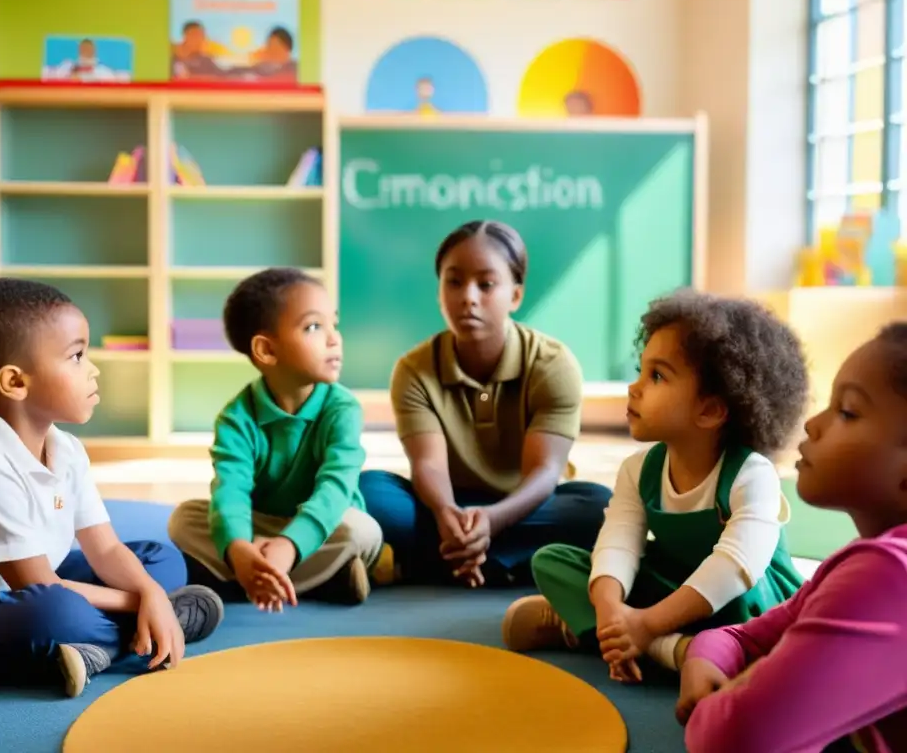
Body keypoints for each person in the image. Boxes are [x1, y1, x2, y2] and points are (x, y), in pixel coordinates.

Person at [0, 279, 224, 698]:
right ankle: (138, 633)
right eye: (77, 356)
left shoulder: (65, 448)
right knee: (56, 613)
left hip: (42, 584)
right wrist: (143, 602)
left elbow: (105, 549)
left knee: (163, 561)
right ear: (15, 382)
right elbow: (41, 586)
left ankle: (93, 650)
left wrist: (150, 589)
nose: (94, 368)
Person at [503, 290, 808, 683]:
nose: (635, 388)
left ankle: (594, 632)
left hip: (745, 604)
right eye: (640, 371)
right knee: (553, 560)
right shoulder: (638, 470)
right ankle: (672, 650)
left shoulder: (751, 474)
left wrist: (645, 624)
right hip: (670, 592)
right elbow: (617, 545)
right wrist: (614, 610)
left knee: (746, 604)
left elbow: (736, 568)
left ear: (711, 409)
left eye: (657, 376)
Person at [676, 323, 907, 753]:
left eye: (848, 412)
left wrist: (728, 698)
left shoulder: (888, 574)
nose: (813, 425)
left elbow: (735, 738)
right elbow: (743, 636)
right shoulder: (857, 564)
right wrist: (703, 658)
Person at [359, 220, 612, 588]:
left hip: (526, 505)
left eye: (487, 284)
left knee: (600, 508)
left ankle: (433, 561)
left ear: (515, 296)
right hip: (446, 504)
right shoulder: (414, 370)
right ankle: (508, 562)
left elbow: (544, 471)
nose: (469, 297)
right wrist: (447, 513)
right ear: (439, 291)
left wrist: (493, 520)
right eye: (454, 281)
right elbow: (427, 464)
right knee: (370, 493)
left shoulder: (553, 364)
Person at [168, 267, 384, 610]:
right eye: (314, 327)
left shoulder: (342, 408)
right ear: (266, 350)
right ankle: (311, 578)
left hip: (327, 522)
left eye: (334, 323)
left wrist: (289, 545)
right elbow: (231, 492)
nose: (334, 338)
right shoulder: (236, 418)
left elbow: (335, 489)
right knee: (183, 518)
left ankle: (248, 579)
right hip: (260, 523)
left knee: (363, 530)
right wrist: (239, 546)